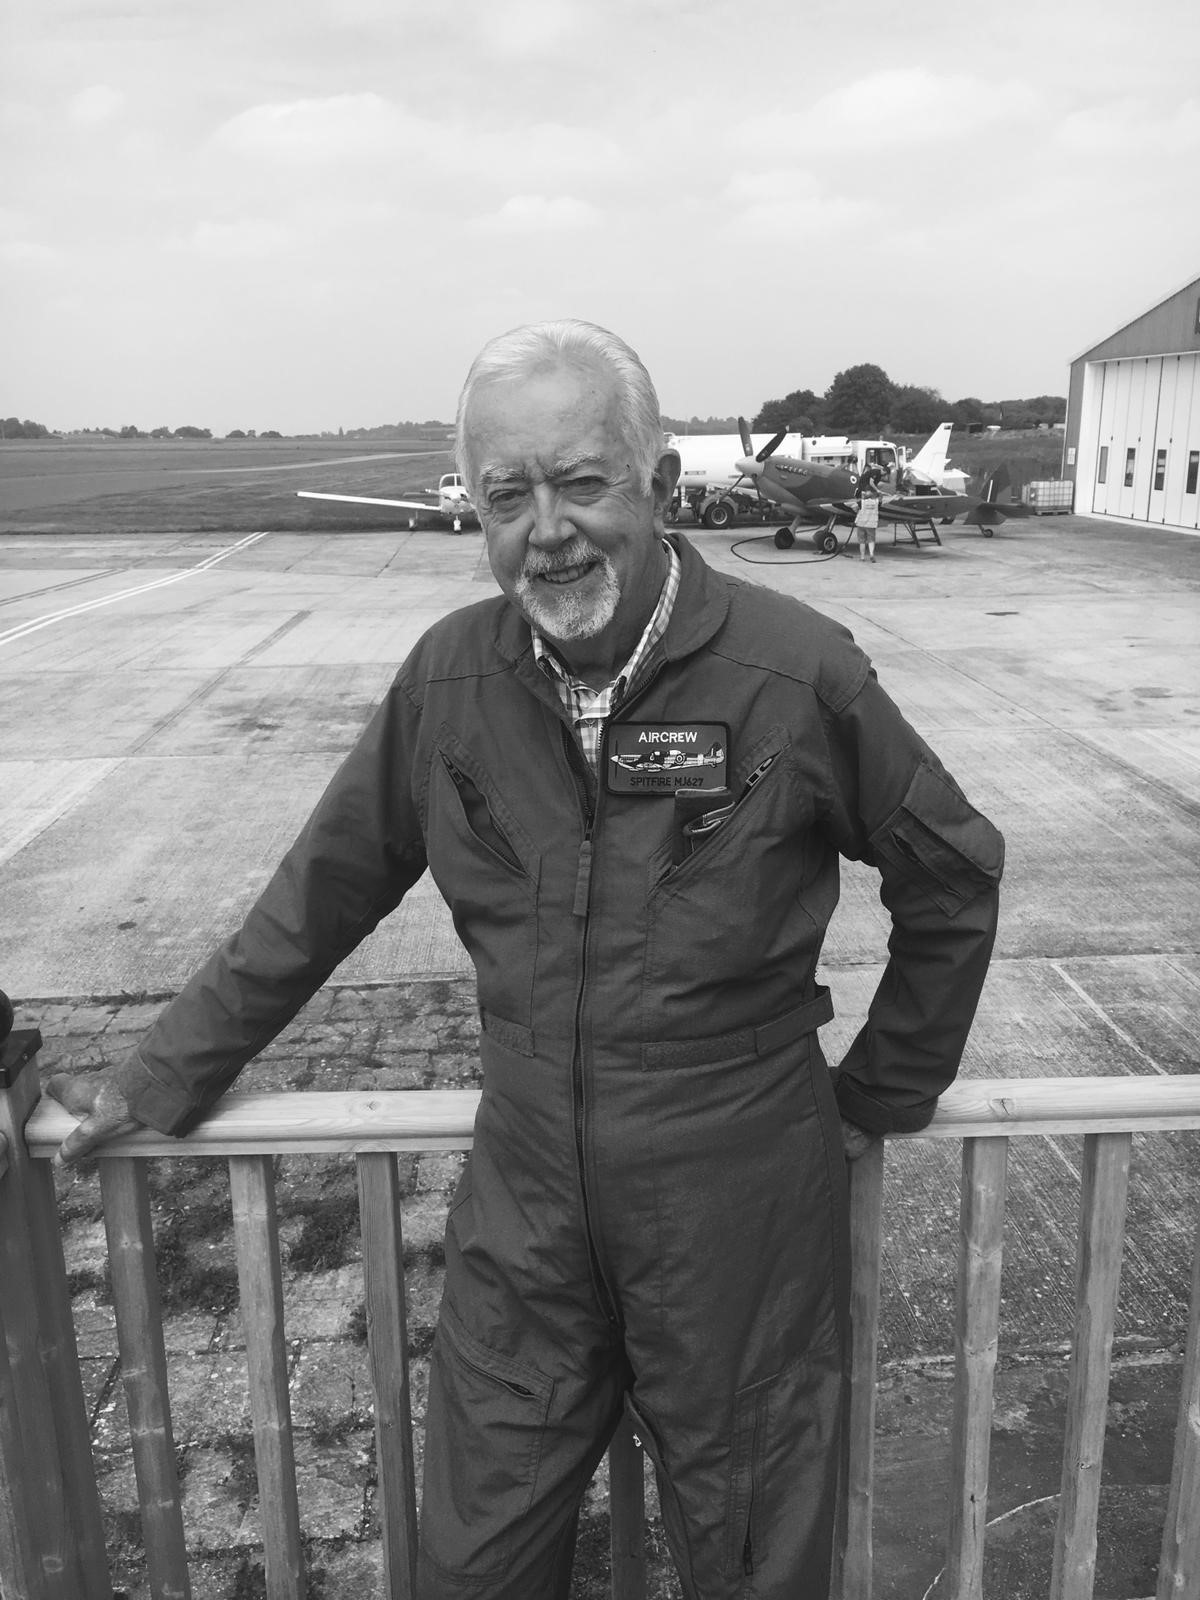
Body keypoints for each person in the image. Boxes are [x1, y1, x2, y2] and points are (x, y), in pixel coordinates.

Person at [48, 319, 1004, 1600]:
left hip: (741, 1194)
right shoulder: (450, 682)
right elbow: (316, 897)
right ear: (477, 512)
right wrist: (158, 1076)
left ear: (657, 486)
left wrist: (880, 1091)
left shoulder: (795, 672)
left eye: (582, 482)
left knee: (756, 1556)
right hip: (528, 1190)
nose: (546, 528)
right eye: (509, 495)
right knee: (477, 1557)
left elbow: (953, 874)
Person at [854, 458, 884, 562]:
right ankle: (871, 554)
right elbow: (881, 498)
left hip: (861, 524)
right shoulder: (876, 503)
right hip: (871, 525)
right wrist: (879, 492)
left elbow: (854, 507)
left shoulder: (861, 502)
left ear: (864, 493)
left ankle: (862, 557)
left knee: (862, 541)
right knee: (871, 540)